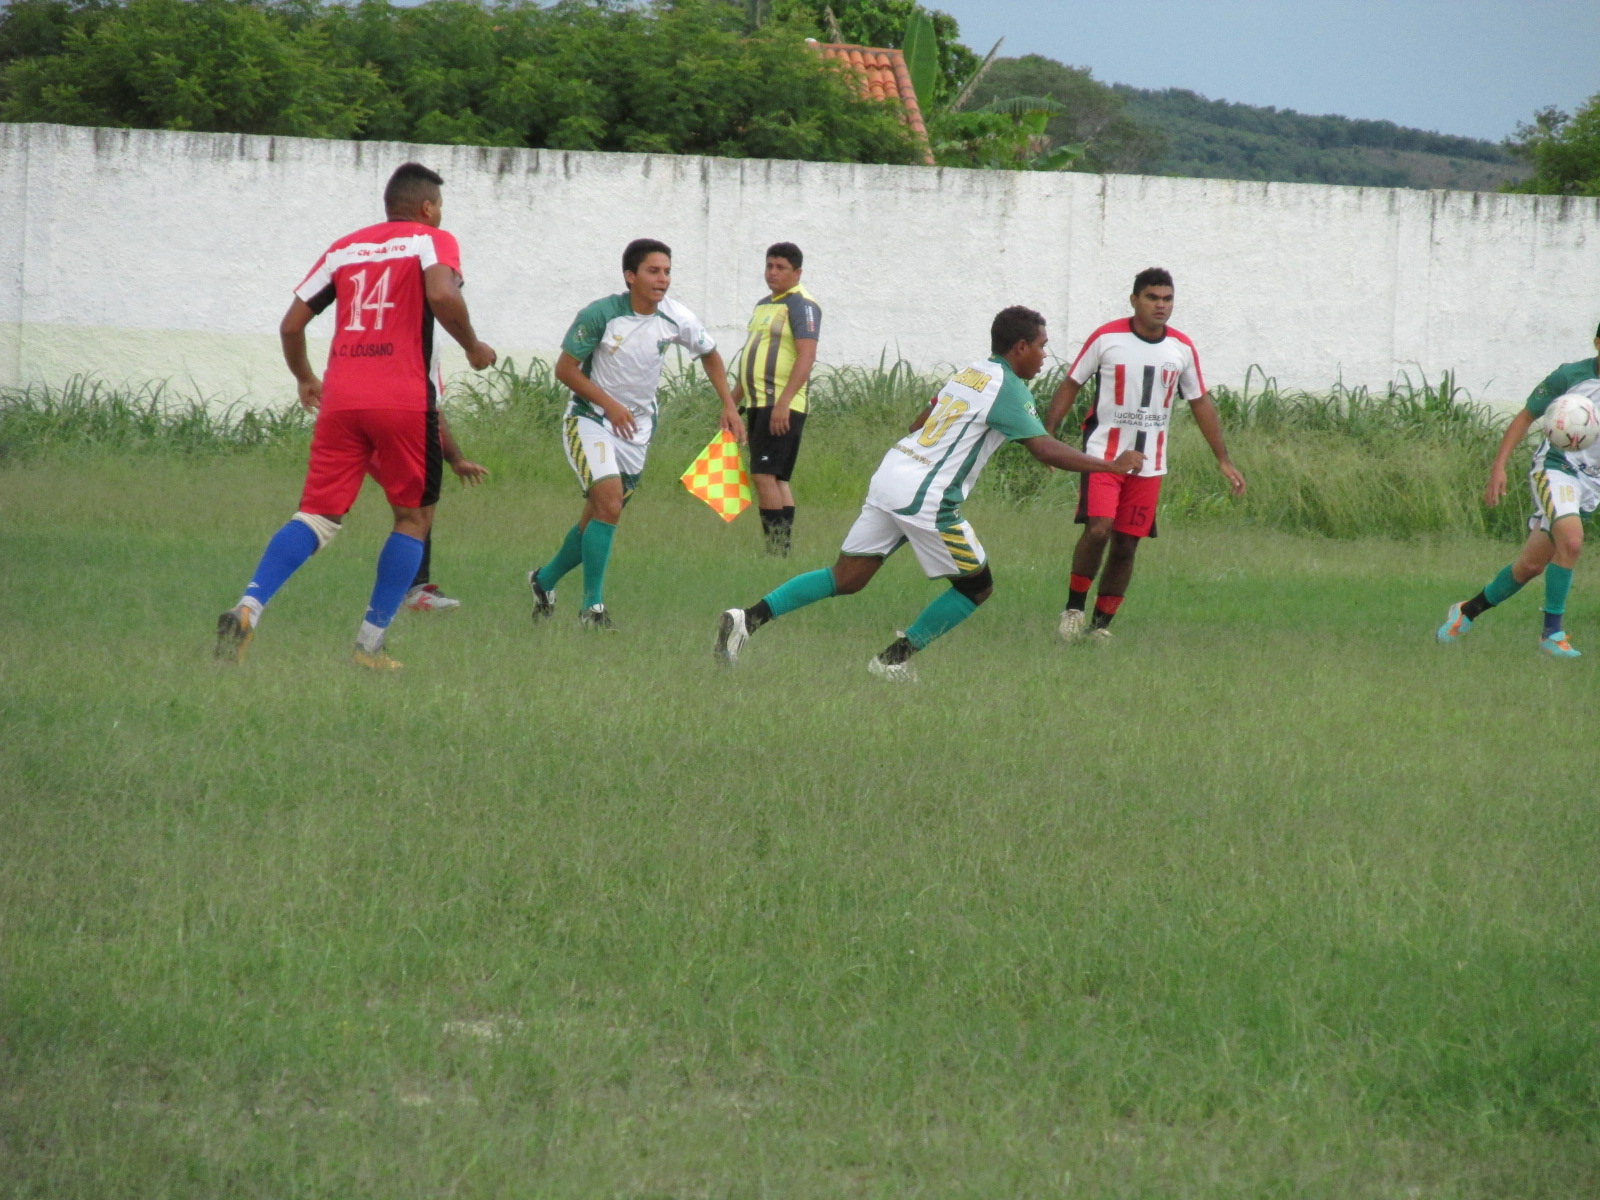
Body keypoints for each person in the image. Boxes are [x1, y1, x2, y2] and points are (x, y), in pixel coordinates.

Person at [713, 306, 1143, 681]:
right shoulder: (1008, 385)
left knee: (846, 578)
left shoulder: (971, 371)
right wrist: (1108, 465)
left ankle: (747, 619)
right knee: (977, 587)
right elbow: (1042, 445)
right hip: (925, 496)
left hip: (892, 474)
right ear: (1019, 348)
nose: (1046, 356)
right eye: (1042, 346)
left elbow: (922, 419)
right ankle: (893, 662)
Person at [214, 162, 497, 669]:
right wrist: (474, 347)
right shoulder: (432, 240)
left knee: (318, 513)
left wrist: (305, 378)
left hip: (341, 400)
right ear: (428, 208)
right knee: (413, 517)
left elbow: (290, 325)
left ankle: (248, 608)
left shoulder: (344, 248)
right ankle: (369, 646)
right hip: (403, 401)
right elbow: (440, 292)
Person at [527, 238, 743, 630]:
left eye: (667, 271)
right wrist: (609, 404)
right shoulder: (601, 315)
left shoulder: (676, 317)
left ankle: (543, 581)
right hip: (590, 420)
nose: (663, 279)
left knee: (597, 518)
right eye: (653, 271)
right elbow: (565, 369)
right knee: (609, 505)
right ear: (631, 277)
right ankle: (592, 609)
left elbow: (709, 352)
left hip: (636, 431)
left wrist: (729, 404)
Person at [1045, 267, 1246, 642]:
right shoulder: (1107, 338)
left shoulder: (1181, 348)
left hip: (1150, 465)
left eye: (1167, 299)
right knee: (1099, 528)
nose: (1161, 305)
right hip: (1103, 456)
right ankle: (1073, 609)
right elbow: (1071, 383)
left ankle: (1100, 628)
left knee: (1126, 543)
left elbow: (1200, 402)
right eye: (1152, 297)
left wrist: (1223, 458)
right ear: (1134, 299)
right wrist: (1048, 435)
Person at [1437, 330, 1600, 657]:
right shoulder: (1570, 376)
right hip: (1556, 468)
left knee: (1529, 567)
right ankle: (1552, 633)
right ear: (1597, 343)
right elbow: (1526, 416)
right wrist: (1498, 467)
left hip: (1591, 483)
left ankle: (1466, 612)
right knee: (1571, 541)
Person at [729, 242, 821, 555]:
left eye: (781, 268)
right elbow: (750, 355)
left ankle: (775, 552)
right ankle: (781, 551)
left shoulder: (802, 305)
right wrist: (732, 403)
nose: (772, 273)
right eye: (769, 266)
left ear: (797, 272)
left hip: (780, 405)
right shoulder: (763, 305)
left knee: (764, 475)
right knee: (777, 478)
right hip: (758, 403)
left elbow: (807, 356)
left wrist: (783, 403)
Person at [401, 415, 488, 611]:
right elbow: (432, 408)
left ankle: (413, 589)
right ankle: (414, 591)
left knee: (326, 513)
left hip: (348, 411)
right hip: (399, 423)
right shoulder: (421, 383)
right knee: (418, 509)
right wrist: (455, 459)